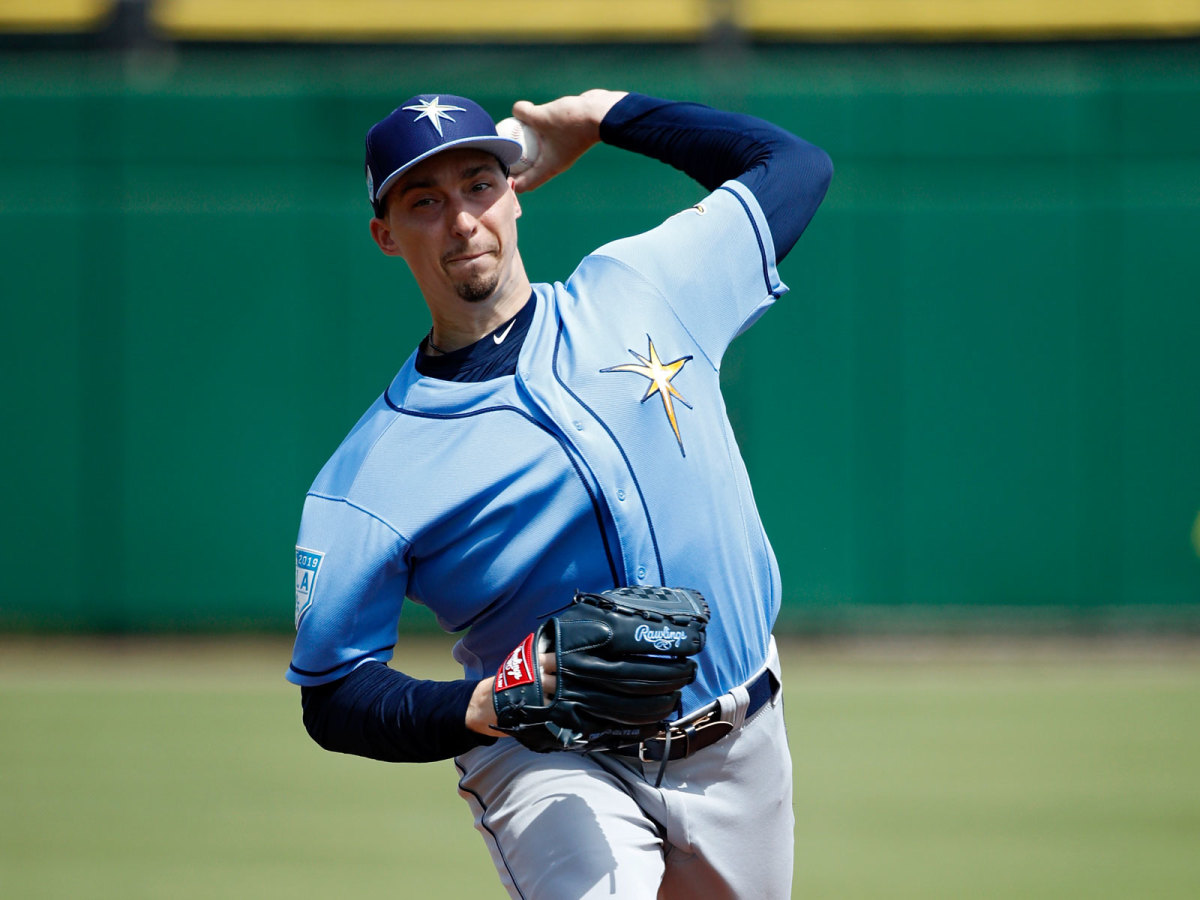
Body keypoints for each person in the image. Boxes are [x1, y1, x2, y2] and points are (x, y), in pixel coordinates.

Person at [288, 88, 832, 899]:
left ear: (514, 194)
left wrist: (604, 114)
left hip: (740, 738)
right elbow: (334, 692)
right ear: (385, 235)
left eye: (478, 184)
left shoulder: (644, 286)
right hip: (552, 757)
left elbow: (794, 166)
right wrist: (476, 708)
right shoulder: (371, 473)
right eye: (424, 201)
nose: (462, 219)